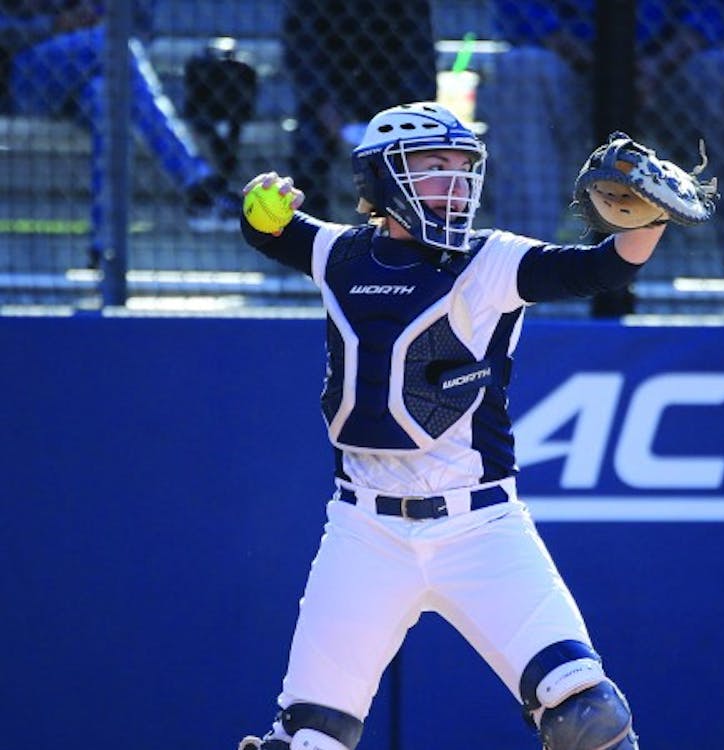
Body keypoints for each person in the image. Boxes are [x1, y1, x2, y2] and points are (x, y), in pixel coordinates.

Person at [237, 102, 660, 750]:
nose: (455, 182)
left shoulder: (490, 262)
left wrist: (650, 216)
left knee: (587, 715)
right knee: (307, 741)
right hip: (364, 530)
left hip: (480, 527)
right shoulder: (340, 254)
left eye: (463, 167)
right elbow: (271, 231)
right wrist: (260, 200)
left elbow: (600, 266)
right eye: (434, 166)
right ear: (381, 177)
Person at [478, 0, 724, 280]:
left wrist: (655, 66)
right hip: (571, 67)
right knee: (522, 68)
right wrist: (602, 69)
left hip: (669, 70)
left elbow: (708, 15)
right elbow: (523, 15)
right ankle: (524, 268)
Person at [0, 0, 241, 267]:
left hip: (97, 75)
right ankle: (197, 185)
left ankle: (105, 250)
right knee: (111, 44)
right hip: (23, 75)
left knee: (108, 100)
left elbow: (141, 31)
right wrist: (56, 25)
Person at [282, 0, 437, 219]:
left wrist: (405, 114)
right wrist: (322, 103)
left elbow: (421, 55)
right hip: (331, 89)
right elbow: (301, 47)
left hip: (392, 90)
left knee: (411, 154)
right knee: (310, 145)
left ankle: (398, 234)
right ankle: (311, 235)